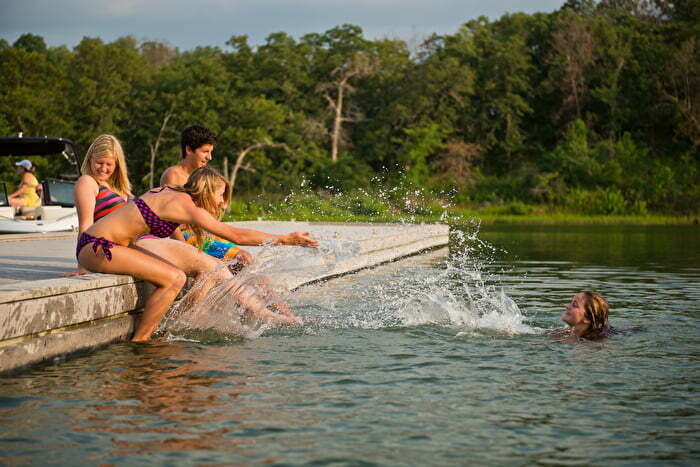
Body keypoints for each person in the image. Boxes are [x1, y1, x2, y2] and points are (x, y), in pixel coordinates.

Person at [77, 165, 318, 341]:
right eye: (220, 194)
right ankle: (141, 341)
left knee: (194, 268)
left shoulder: (168, 191)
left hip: (109, 245)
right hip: (99, 247)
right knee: (174, 278)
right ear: (206, 190)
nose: (222, 201)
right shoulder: (187, 205)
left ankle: (170, 327)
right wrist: (287, 240)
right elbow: (237, 236)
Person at [160, 125, 251, 263]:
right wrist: (183, 249)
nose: (209, 157)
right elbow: (171, 220)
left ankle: (234, 284)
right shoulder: (174, 175)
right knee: (242, 257)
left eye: (210, 152)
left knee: (245, 258)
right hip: (187, 236)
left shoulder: (201, 175)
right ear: (189, 149)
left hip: (204, 233)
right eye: (205, 152)